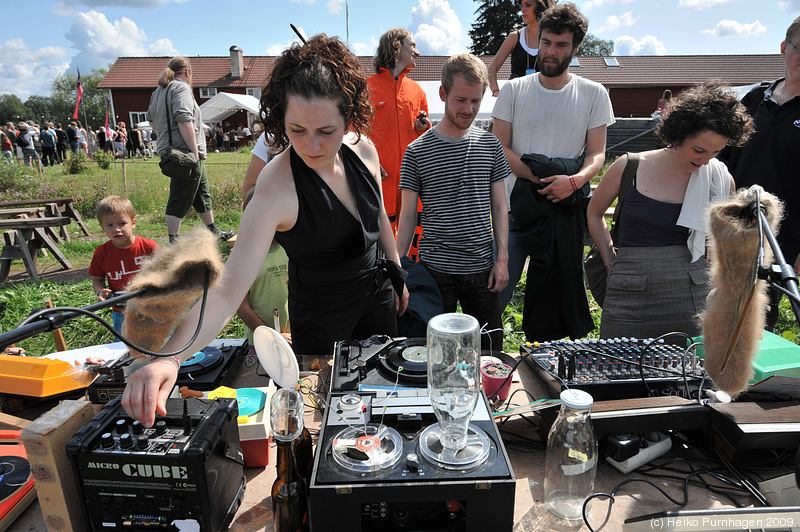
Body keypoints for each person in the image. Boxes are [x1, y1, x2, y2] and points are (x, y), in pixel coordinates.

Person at [123, 35, 409, 426]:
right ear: (280, 120)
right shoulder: (275, 189)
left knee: (381, 405)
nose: (311, 145)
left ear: (349, 119)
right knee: (327, 419)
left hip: (377, 299)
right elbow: (226, 293)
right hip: (321, 318)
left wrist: (396, 273)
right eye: (296, 129)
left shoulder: (364, 150)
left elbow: (378, 222)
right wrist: (168, 359)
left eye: (326, 131)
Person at [588, 81, 752, 339]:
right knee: (619, 368)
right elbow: (594, 213)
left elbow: (723, 243)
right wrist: (610, 260)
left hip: (692, 293)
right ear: (677, 134)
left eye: (716, 152)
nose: (705, 160)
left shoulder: (721, 180)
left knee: (685, 374)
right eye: (698, 150)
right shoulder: (628, 166)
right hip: (628, 289)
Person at [492, 2, 614, 341]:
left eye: (561, 45)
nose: (550, 51)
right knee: (495, 293)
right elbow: (499, 146)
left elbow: (597, 153)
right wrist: (539, 178)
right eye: (546, 42)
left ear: (575, 48)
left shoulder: (593, 94)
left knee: (558, 303)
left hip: (564, 213)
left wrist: (573, 182)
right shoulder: (514, 90)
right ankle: (483, 357)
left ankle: (547, 368)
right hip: (515, 213)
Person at [396, 53, 510, 351]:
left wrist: (502, 259)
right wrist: (398, 272)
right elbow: (407, 217)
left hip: (482, 268)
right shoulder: (417, 151)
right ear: (443, 94)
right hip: (435, 271)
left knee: (490, 351)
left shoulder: (490, 144)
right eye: (461, 100)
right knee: (433, 351)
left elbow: (499, 207)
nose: (469, 109)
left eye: (476, 100)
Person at [721, 16, 800, 332]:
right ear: (784, 49)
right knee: (732, 318)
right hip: (737, 232)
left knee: (762, 324)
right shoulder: (751, 101)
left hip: (788, 240)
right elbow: (722, 163)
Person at [147, 56, 234, 243]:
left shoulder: (158, 91)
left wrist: (166, 138)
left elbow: (152, 122)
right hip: (184, 154)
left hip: (172, 151)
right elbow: (184, 119)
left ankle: (213, 231)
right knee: (179, 196)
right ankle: (173, 241)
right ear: (187, 73)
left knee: (202, 193)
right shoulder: (181, 88)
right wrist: (194, 151)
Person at [366, 28, 431, 258]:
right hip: (378, 180)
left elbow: (425, 137)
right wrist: (367, 162)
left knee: (413, 235)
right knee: (376, 243)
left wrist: (422, 126)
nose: (417, 52)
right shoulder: (366, 89)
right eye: (412, 45)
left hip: (411, 180)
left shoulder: (417, 91)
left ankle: (411, 279)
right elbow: (352, 133)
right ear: (396, 46)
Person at [88, 196, 160, 333]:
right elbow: (97, 279)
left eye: (121, 223)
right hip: (122, 310)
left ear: (133, 223)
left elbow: (165, 273)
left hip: (152, 307)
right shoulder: (101, 253)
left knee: (161, 341)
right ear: (102, 227)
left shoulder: (149, 247)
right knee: (125, 346)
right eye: (109, 225)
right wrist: (100, 291)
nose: (116, 229)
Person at [236, 189, 292, 351]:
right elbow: (242, 307)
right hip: (261, 344)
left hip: (293, 339)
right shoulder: (244, 256)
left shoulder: (291, 248)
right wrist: (271, 336)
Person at [488, 0, 555, 98]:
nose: (522, 10)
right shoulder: (515, 37)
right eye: (522, 5)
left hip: (544, 104)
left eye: (528, 5)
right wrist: (496, 91)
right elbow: (492, 69)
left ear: (540, 6)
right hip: (515, 103)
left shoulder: (553, 39)